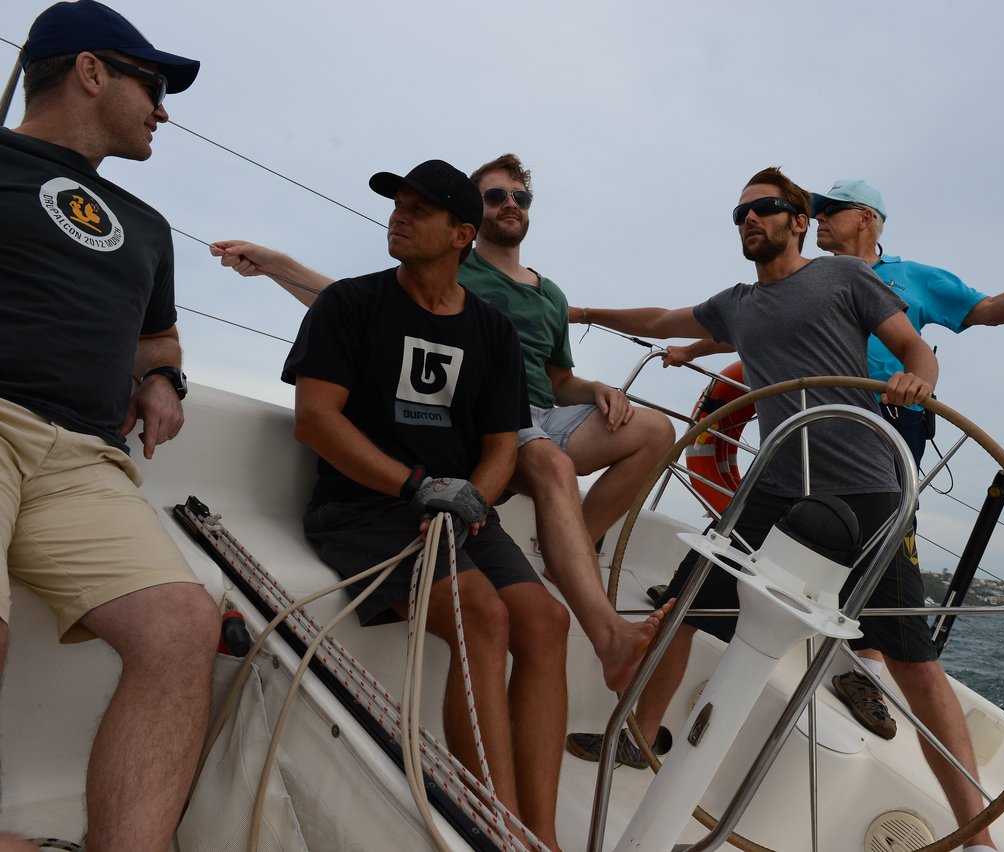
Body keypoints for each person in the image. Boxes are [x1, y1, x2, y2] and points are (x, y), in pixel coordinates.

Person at [567, 167, 1003, 851]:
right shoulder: (737, 305)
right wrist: (586, 314)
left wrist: (919, 378)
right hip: (773, 487)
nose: (750, 219)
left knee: (914, 662)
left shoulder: (846, 278)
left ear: (798, 222)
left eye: (765, 208)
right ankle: (639, 735)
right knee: (683, 605)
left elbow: (914, 345)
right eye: (740, 212)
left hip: (867, 487)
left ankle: (978, 837)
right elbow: (659, 319)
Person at [666, 178, 1004, 747]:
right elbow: (749, 328)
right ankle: (710, 603)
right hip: (804, 428)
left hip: (890, 423)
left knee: (884, 553)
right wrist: (691, 349)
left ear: (868, 217)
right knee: (771, 521)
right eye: (814, 212)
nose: (818, 219)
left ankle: (866, 668)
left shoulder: (910, 277)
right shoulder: (801, 280)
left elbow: (987, 310)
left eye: (832, 210)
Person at [212, 153, 674, 693]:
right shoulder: (450, 266)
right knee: (549, 462)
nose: (510, 204)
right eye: (495, 196)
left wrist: (595, 390)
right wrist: (277, 265)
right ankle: (606, 631)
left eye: (520, 197)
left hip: (546, 413)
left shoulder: (550, 295)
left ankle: (570, 554)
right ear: (468, 224)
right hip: (494, 420)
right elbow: (361, 308)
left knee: (656, 430)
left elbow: (559, 378)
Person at [283, 158, 567, 850]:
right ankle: (498, 831)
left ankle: (544, 836)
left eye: (418, 209)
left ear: (461, 234)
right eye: (397, 205)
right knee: (481, 612)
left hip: (459, 509)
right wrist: (417, 488)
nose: (398, 218)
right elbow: (316, 420)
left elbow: (502, 446)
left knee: (546, 621)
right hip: (363, 506)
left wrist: (470, 499)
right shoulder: (350, 304)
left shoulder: (492, 331)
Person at [0, 3, 220, 851]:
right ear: (91, 72)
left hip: (87, 458)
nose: (163, 111)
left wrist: (162, 377)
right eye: (153, 86)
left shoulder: (149, 227)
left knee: (182, 628)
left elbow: (157, 338)